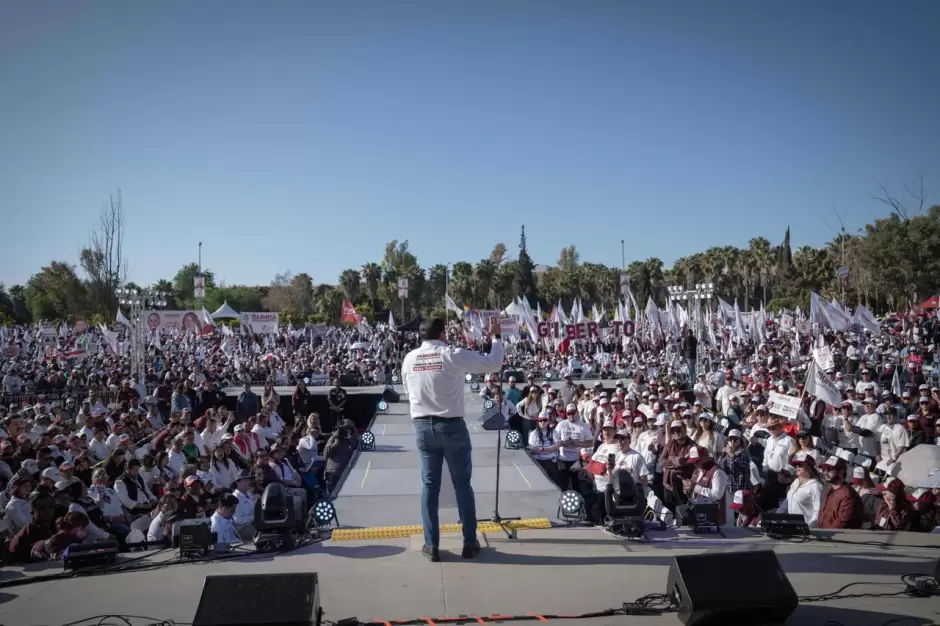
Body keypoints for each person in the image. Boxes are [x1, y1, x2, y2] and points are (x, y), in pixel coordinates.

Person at [401, 316, 503, 563]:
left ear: (420, 336)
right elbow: (494, 364)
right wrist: (497, 337)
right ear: (443, 334)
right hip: (452, 427)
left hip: (423, 427)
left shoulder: (409, 358)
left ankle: (431, 544)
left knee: (429, 486)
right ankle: (469, 543)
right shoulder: (452, 353)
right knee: (462, 485)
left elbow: (407, 390)